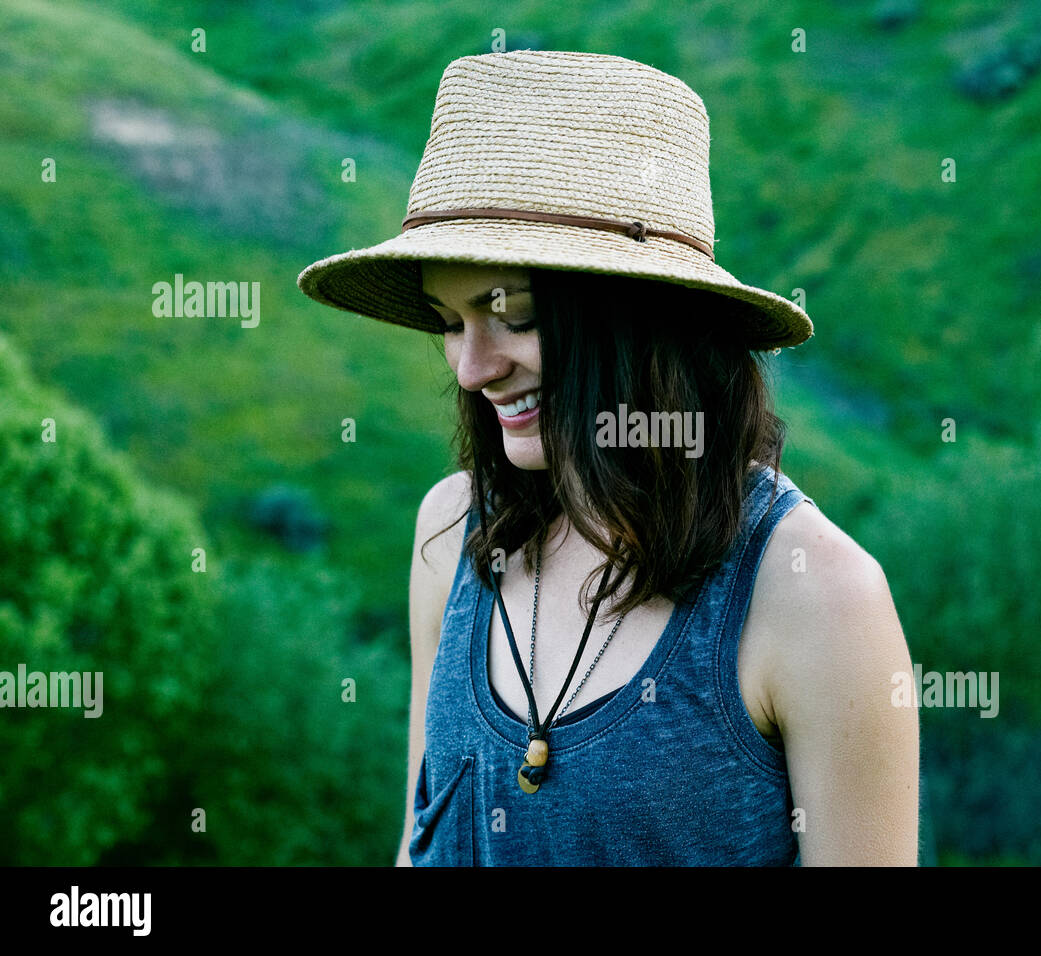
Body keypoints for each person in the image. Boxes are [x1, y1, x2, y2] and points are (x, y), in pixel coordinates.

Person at [298, 49, 917, 866]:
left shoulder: (817, 596)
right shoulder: (452, 531)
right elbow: (418, 851)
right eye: (449, 320)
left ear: (640, 322)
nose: (472, 367)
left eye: (512, 315)